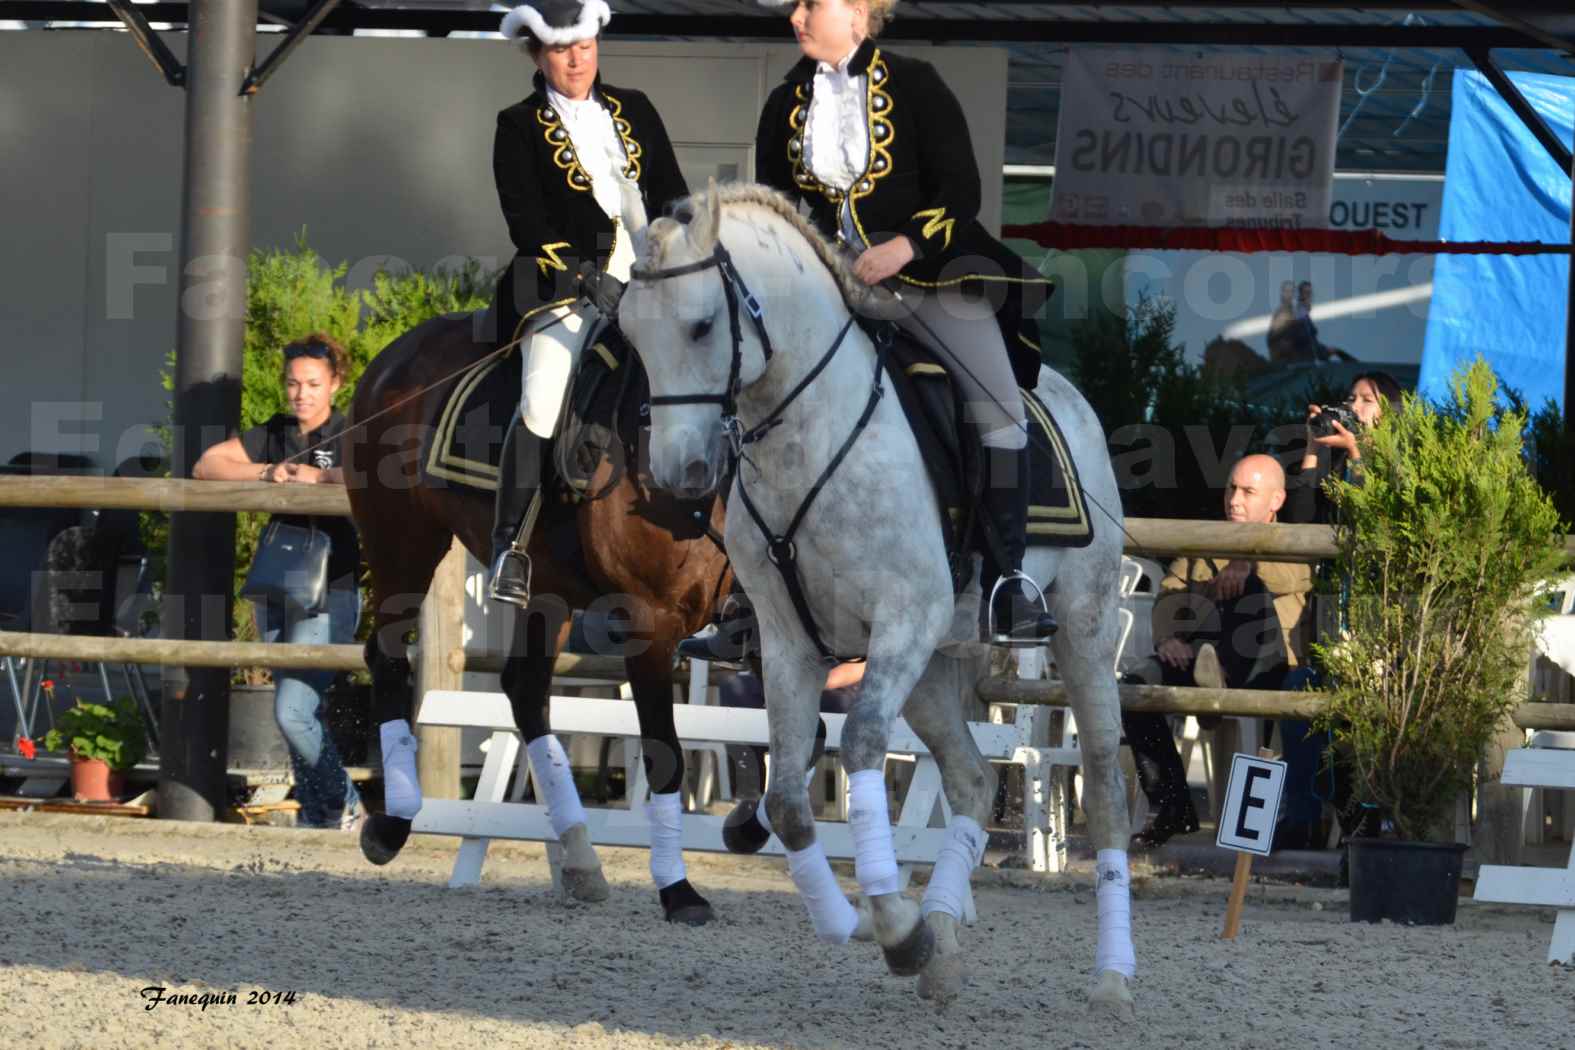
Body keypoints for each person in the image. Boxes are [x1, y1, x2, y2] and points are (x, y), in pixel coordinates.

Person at [749, 0, 1058, 644]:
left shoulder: (917, 82)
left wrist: (905, 248)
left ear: (858, 12)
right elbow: (772, 204)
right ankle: (744, 598)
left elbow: (961, 191)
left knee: (999, 410)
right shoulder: (785, 101)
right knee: (751, 397)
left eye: (810, 4)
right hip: (826, 288)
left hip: (928, 277)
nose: (796, 18)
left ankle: (1008, 582)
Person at [487, 0, 689, 607]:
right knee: (544, 402)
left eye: (583, 45)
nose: (575, 59)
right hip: (563, 290)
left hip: (650, 286)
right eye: (559, 49)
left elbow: (673, 196)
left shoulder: (636, 108)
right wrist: (584, 278)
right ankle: (511, 546)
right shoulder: (517, 125)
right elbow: (526, 222)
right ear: (537, 53)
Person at [193, 334, 363, 830]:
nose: (301, 393)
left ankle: (347, 802)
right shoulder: (275, 430)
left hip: (330, 590)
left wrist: (321, 479)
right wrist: (268, 471)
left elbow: (378, 481)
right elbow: (207, 465)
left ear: (335, 382)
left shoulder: (353, 430)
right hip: (275, 586)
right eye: (293, 383)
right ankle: (319, 814)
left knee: (292, 713)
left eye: (312, 383)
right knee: (297, 714)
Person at [1124, 454, 1312, 847]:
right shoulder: (1206, 538)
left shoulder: (1296, 540)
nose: (1234, 500)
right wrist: (1167, 639)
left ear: (1275, 501)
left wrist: (1246, 560)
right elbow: (1168, 594)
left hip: (1268, 668)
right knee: (1135, 689)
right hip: (1200, 661)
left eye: (1248, 491)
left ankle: (1218, 679)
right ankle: (1173, 805)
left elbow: (1290, 577)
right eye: (1231, 488)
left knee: (1250, 590)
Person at [1275, 370, 1404, 847]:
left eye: (1367, 400)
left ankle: (1361, 825)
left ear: (1389, 413)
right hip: (1332, 628)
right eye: (1351, 398)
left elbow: (1381, 521)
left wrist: (1358, 454)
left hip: (1382, 634)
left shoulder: (1397, 465)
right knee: (1297, 689)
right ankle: (1303, 820)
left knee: (1355, 721)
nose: (1356, 407)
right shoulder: (1334, 467)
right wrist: (1314, 447)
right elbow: (1302, 525)